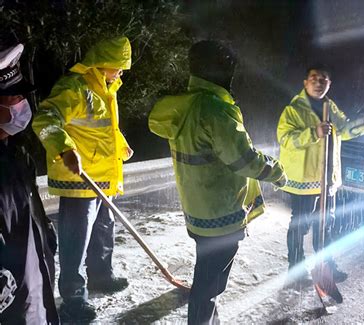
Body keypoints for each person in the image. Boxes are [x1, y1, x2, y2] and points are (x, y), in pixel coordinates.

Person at [149, 40, 287, 325]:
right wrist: (277, 171)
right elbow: (245, 159)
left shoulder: (184, 104)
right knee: (209, 284)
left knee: (207, 272)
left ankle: (208, 318)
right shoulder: (216, 110)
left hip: (198, 210)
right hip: (222, 213)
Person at [32, 36, 133, 322]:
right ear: (101, 65)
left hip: (104, 177)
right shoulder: (74, 88)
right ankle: (73, 298)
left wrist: (120, 143)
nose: (121, 72)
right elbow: (46, 118)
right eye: (118, 66)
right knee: (75, 241)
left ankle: (101, 274)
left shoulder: (106, 90)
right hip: (81, 181)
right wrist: (64, 148)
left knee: (104, 229)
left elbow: (100, 128)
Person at [277, 65, 364, 284]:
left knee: (325, 224)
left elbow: (344, 130)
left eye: (323, 79)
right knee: (301, 224)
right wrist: (314, 133)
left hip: (327, 178)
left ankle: (325, 266)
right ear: (305, 82)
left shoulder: (330, 107)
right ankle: (296, 269)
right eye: (314, 78)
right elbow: (286, 139)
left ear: (329, 84)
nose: (318, 83)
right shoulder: (294, 110)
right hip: (303, 180)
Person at [0, 42, 59, 324]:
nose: (22, 102)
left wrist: (43, 234)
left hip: (32, 300)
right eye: (13, 97)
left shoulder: (17, 153)